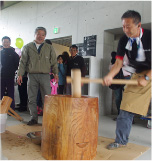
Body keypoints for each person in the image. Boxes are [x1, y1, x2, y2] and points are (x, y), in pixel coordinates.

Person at [103, 10, 151, 150]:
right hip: (138, 75)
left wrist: (147, 77)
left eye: (128, 26)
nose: (125, 29)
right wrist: (110, 75)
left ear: (138, 25)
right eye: (123, 26)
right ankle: (121, 141)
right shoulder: (123, 40)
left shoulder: (150, 36)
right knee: (125, 109)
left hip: (149, 74)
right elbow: (118, 64)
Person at [17, 27, 58, 125]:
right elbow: (22, 62)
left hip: (45, 76)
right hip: (32, 75)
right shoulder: (27, 47)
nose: (40, 36)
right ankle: (33, 118)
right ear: (35, 34)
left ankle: (48, 119)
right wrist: (20, 74)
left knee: (47, 98)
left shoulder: (49, 47)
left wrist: (56, 73)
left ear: (45, 36)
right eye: (38, 34)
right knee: (32, 98)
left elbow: (54, 62)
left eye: (43, 34)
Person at [0, 36, 20, 110]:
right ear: (2, 42)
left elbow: (17, 65)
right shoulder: (0, 52)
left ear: (10, 43)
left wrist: (11, 71)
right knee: (1, 93)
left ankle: (11, 109)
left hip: (10, 76)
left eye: (7, 42)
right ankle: (1, 109)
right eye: (4, 42)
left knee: (10, 93)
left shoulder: (14, 54)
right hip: (1, 76)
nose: (6, 43)